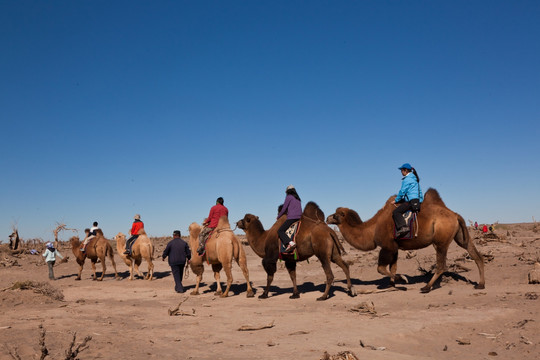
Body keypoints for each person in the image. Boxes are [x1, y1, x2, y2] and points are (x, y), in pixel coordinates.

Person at [393, 163, 423, 237]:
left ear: (405, 170)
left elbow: (402, 191)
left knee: (396, 212)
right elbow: (420, 192)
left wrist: (396, 200)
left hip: (410, 202)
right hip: (416, 201)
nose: (401, 172)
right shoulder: (415, 179)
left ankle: (403, 227)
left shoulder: (407, 179)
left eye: (402, 170)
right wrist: (420, 201)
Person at [277, 185, 302, 253]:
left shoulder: (289, 197)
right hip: (299, 218)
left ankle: (290, 243)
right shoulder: (298, 198)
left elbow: (284, 208)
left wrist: (278, 216)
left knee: (280, 231)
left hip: (292, 218)